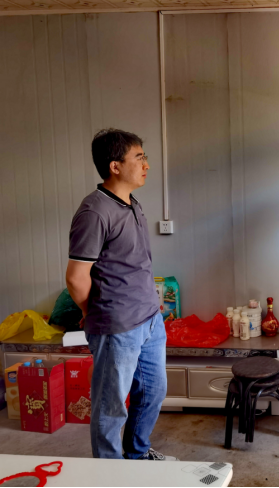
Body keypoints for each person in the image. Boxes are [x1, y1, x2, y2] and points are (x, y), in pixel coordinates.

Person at [65, 129, 174, 461]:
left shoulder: (132, 204)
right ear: (115, 166)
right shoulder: (95, 211)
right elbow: (76, 278)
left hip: (149, 320)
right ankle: (110, 474)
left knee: (153, 392)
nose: (146, 165)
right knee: (111, 407)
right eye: (139, 158)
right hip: (117, 327)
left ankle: (136, 455)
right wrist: (93, 311)